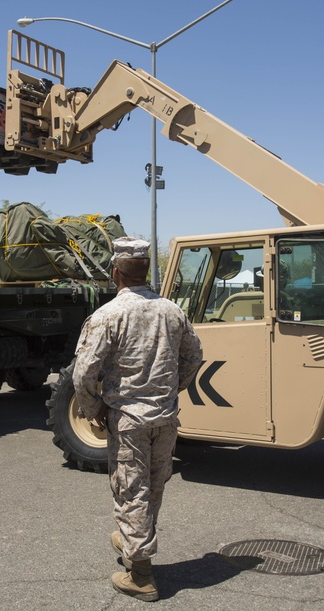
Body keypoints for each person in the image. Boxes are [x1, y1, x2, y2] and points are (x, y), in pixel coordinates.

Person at [73, 236, 203, 602]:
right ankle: (134, 540)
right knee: (153, 484)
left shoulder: (107, 315)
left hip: (129, 420)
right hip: (164, 417)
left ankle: (142, 577)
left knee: (132, 490)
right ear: (146, 270)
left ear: (116, 272)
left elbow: (83, 374)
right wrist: (169, 390)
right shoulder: (172, 310)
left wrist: (93, 407)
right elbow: (195, 357)